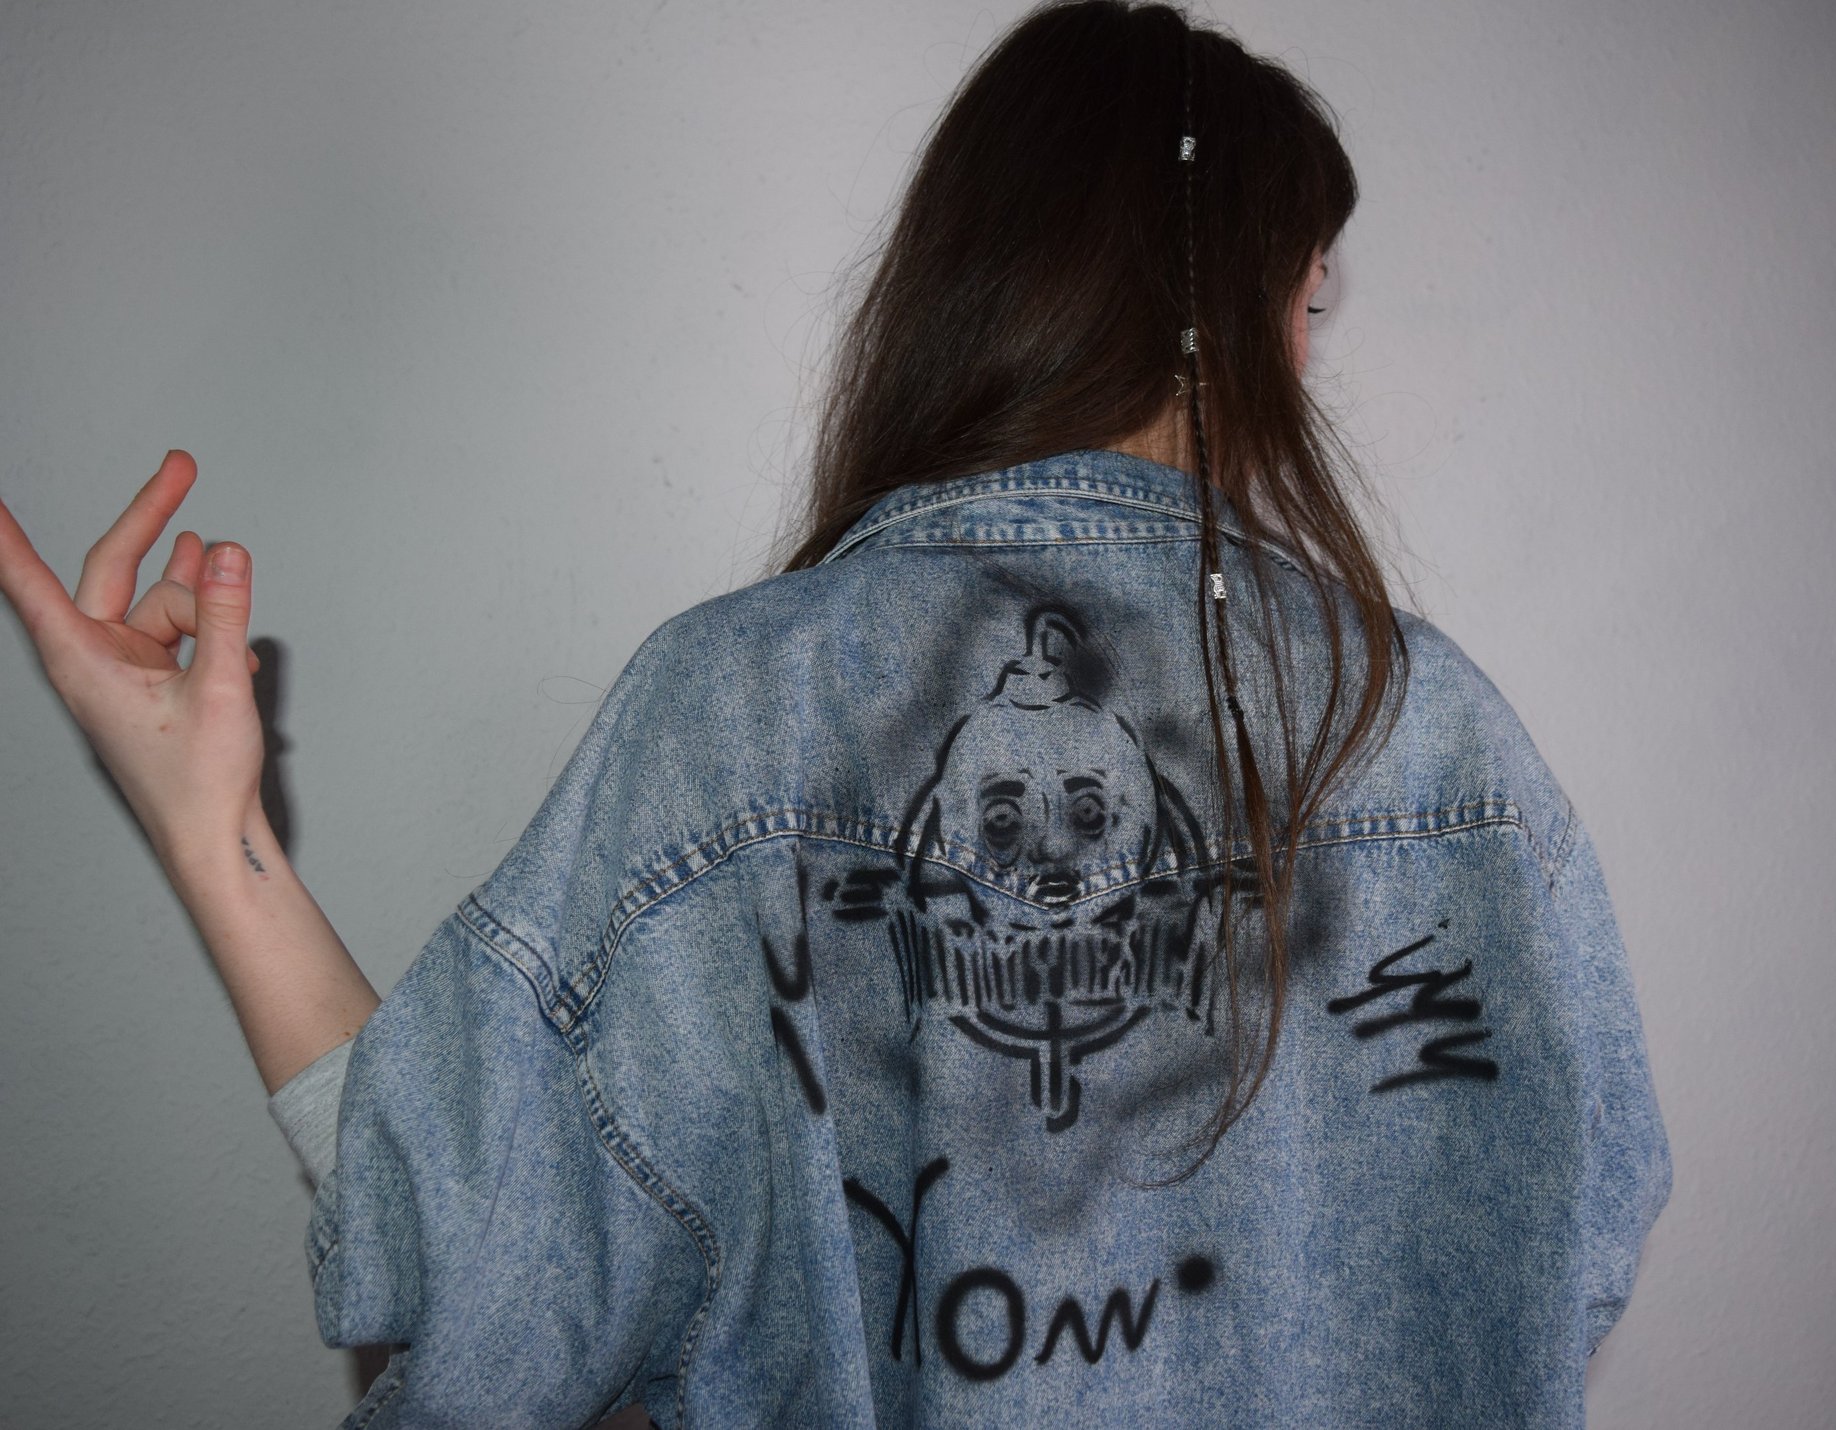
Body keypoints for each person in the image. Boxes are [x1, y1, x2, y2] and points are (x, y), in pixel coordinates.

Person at [0, 2, 1671, 1426]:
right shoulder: (1436, 739)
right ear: (1224, 315)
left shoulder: (738, 715)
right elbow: (1577, 1236)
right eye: (1302, 304)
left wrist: (211, 833)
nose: (1304, 360)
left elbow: (469, 1268)